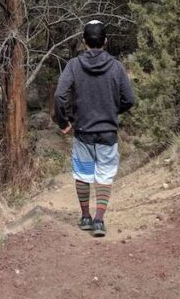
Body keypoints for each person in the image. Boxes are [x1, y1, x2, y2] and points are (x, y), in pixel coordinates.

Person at [54, 20, 136, 237]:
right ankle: (99, 221)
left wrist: (64, 122)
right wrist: (112, 110)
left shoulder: (73, 65)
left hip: (82, 131)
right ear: (105, 42)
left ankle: (85, 217)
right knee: (105, 175)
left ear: (84, 42)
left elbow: (60, 95)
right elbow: (129, 99)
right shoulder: (116, 66)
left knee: (82, 174)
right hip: (108, 131)